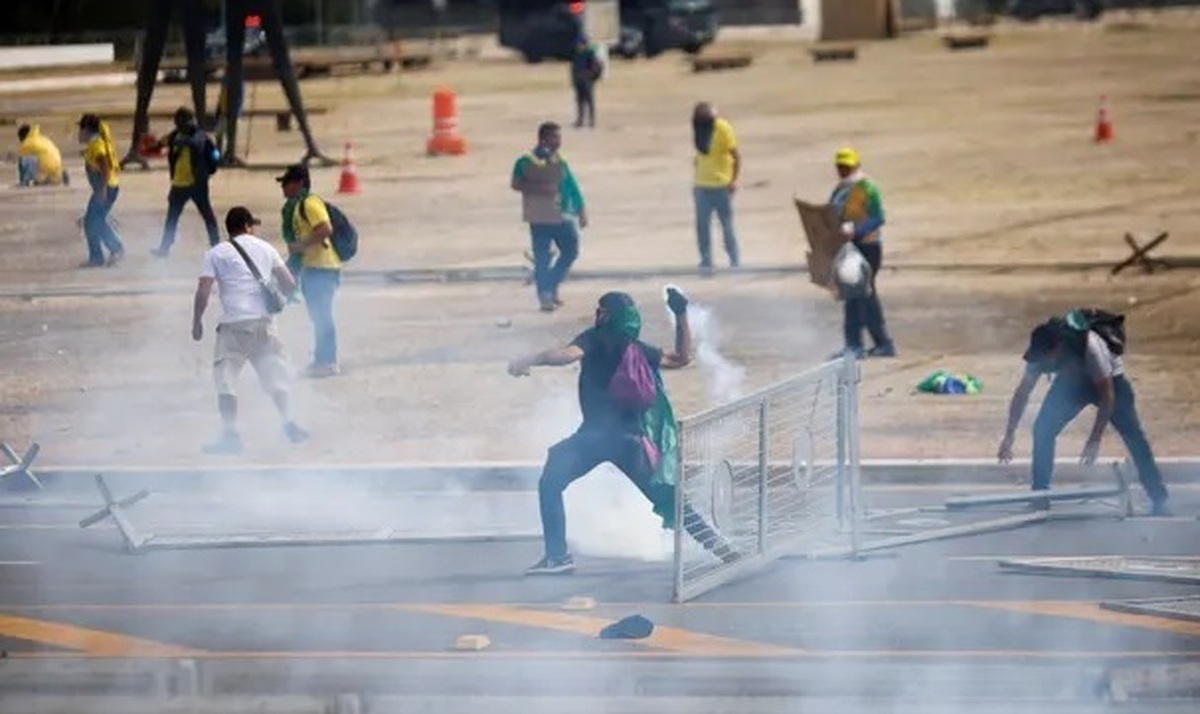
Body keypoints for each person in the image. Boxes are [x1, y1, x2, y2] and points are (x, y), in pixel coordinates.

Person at [507, 289, 739, 575]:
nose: (597, 315)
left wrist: (527, 359)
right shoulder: (637, 349)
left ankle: (557, 557)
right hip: (632, 441)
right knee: (669, 498)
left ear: (607, 315)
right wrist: (681, 314)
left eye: (600, 310)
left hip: (594, 438)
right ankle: (721, 548)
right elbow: (681, 358)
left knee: (550, 483)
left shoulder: (594, 339)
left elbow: (566, 355)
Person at [997, 310, 1170, 516]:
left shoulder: (1091, 348)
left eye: (1046, 358)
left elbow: (1107, 396)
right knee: (1043, 430)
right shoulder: (1038, 357)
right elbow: (1022, 394)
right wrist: (1009, 435)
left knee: (1133, 435)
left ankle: (1158, 497)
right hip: (1071, 385)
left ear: (1057, 348)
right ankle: (1040, 496)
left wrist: (1094, 439)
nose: (1043, 364)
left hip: (1110, 382)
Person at [192, 206, 309, 455]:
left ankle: (231, 436)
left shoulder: (215, 253)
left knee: (226, 382)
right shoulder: (266, 248)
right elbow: (289, 284)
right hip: (264, 323)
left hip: (234, 326)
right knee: (275, 376)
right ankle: (289, 424)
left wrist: (197, 321)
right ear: (247, 226)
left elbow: (203, 290)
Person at [511, 122, 588, 312]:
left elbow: (572, 186)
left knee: (570, 250)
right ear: (543, 139)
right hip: (540, 216)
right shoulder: (526, 161)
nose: (559, 141)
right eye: (555, 137)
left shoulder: (559, 161)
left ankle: (551, 285)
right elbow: (515, 183)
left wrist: (581, 209)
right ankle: (545, 295)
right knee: (542, 257)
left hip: (562, 214)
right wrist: (540, 188)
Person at [829, 147, 895, 359]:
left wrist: (856, 231)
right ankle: (859, 344)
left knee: (862, 296)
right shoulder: (840, 189)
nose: (843, 170)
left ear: (856, 165)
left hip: (868, 247)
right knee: (855, 296)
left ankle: (872, 344)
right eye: (840, 166)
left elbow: (878, 217)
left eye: (847, 166)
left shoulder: (867, 187)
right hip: (849, 248)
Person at [278, 164, 341, 378]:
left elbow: (325, 229)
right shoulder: (297, 206)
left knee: (323, 316)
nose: (283, 188)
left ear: (299, 183)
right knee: (318, 316)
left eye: (287, 183)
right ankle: (321, 360)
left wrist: (301, 245)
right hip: (313, 267)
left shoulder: (310, 203)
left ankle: (327, 362)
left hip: (323, 267)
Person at [152, 107, 222, 257]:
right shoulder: (176, 135)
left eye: (182, 122)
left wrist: (179, 141)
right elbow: (163, 143)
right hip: (179, 184)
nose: (180, 126)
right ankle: (164, 247)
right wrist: (157, 144)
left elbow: (199, 145)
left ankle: (217, 246)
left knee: (207, 215)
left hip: (197, 184)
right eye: (178, 123)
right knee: (171, 218)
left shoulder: (199, 136)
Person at [692, 102, 740, 273]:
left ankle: (734, 259)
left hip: (722, 185)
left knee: (726, 225)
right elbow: (702, 153)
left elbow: (736, 156)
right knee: (702, 226)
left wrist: (733, 180)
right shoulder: (699, 129)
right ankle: (706, 260)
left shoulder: (723, 128)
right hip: (701, 186)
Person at [77, 114, 125, 268]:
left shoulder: (97, 146)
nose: (79, 133)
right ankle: (101, 255)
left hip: (106, 188)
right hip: (107, 188)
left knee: (93, 222)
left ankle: (111, 250)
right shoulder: (95, 144)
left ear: (86, 130)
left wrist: (102, 190)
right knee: (93, 221)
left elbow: (105, 167)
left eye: (80, 129)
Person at [569, 35, 603, 129]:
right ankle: (580, 120)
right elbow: (574, 68)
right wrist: (573, 80)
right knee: (580, 101)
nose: (579, 46)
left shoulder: (590, 53)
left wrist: (590, 76)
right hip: (578, 80)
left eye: (581, 44)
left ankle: (591, 120)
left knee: (589, 100)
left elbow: (595, 66)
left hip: (587, 80)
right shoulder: (576, 53)